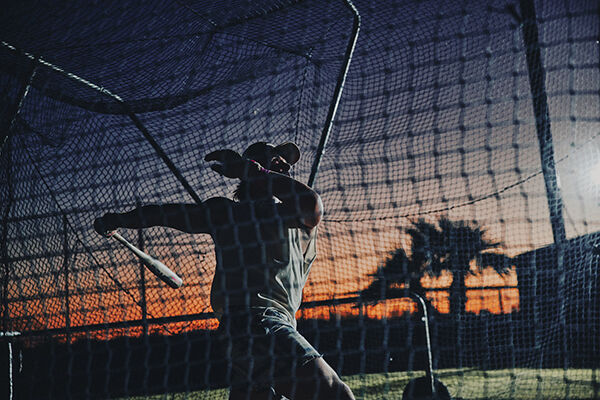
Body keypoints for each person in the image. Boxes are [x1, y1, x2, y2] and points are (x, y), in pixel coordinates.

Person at [94, 142, 355, 400]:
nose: (285, 166)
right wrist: (119, 220)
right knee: (334, 393)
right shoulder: (226, 212)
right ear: (250, 166)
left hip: (272, 325)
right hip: (254, 322)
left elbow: (311, 205)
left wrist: (253, 171)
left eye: (285, 163)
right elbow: (164, 214)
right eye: (275, 159)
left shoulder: (297, 216)